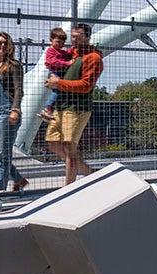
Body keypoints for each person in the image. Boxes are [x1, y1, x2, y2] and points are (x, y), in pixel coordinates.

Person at [44, 23, 104, 185]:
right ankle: (88, 172)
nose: (73, 40)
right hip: (62, 106)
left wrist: (58, 84)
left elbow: (86, 86)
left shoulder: (94, 58)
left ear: (87, 37)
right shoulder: (73, 53)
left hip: (77, 109)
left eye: (77, 37)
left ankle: (68, 189)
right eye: (73, 37)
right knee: (53, 143)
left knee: (69, 148)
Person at [0, 31, 28, 197]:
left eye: (5, 43)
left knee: (3, 153)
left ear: (10, 46)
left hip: (6, 112)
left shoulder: (14, 66)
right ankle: (18, 179)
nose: (2, 46)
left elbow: (18, 90)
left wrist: (15, 109)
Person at [37, 27, 73, 123]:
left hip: (59, 72)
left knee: (59, 92)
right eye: (58, 42)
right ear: (51, 40)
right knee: (56, 92)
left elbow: (67, 54)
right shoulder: (51, 50)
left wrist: (74, 48)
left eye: (62, 43)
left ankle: (49, 111)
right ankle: (47, 108)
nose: (60, 45)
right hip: (54, 72)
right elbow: (53, 62)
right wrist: (67, 63)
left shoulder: (61, 51)